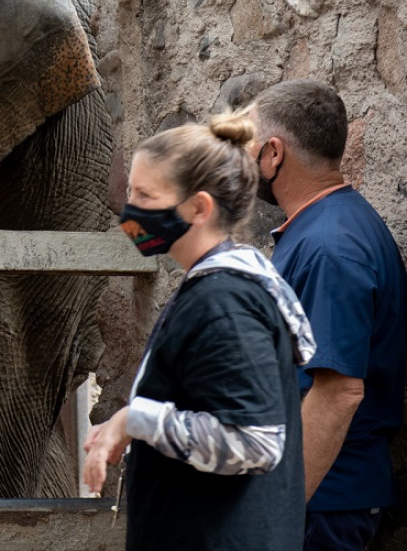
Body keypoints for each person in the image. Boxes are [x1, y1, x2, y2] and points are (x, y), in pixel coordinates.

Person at [83, 111, 315, 550]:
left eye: (145, 197)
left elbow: (254, 441)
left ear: (199, 208)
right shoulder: (213, 288)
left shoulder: (224, 302)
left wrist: (137, 419)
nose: (130, 213)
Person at [248, 79, 407, 550]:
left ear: (273, 154)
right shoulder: (323, 227)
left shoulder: (329, 248)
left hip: (321, 508)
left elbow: (338, 393)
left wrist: (274, 509)